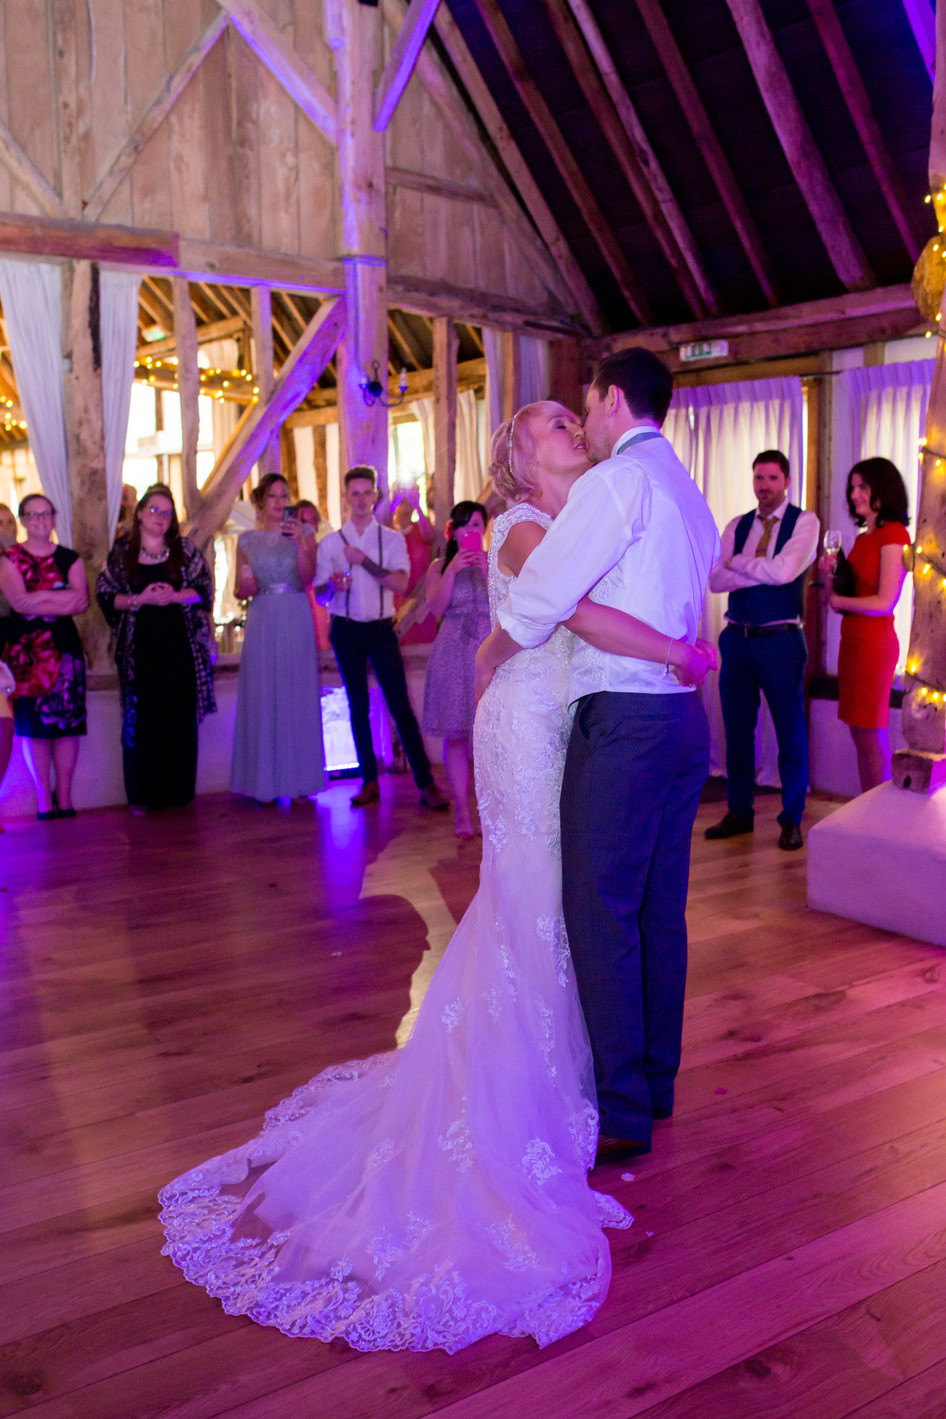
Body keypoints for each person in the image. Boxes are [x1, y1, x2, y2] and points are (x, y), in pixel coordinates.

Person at [159, 398, 714, 1351]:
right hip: (530, 737)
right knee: (539, 903)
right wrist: (663, 648)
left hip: (557, 728)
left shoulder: (573, 513)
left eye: (569, 419)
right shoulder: (531, 526)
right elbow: (568, 613)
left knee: (550, 908)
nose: (568, 427)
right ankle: (534, 1090)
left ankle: (572, 1077)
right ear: (517, 462)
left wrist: (511, 647)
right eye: (549, 426)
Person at [476, 350, 720, 1165]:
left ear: (615, 398)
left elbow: (545, 597)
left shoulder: (619, 482)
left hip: (624, 716)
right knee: (657, 907)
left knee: (601, 907)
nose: (581, 417)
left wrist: (490, 651)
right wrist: (681, 653)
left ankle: (620, 1108)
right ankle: (654, 1081)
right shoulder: (686, 486)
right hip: (683, 722)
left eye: (584, 402)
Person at [704, 449, 819, 852]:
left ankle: (791, 818)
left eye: (771, 478)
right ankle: (739, 811)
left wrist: (738, 563)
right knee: (737, 731)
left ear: (786, 481)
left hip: (782, 639)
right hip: (737, 638)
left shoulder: (805, 522)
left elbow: (786, 571)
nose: (763, 486)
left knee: (790, 731)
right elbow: (715, 580)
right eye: (758, 478)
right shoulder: (737, 525)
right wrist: (753, 567)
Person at [316, 465, 447, 810]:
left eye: (366, 493)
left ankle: (425, 782)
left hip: (380, 627)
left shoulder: (391, 539)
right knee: (356, 706)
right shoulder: (330, 543)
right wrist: (332, 583)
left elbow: (401, 585)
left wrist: (364, 562)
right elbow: (318, 595)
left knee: (399, 704)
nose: (361, 499)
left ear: (375, 497)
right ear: (346, 497)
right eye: (354, 493)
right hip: (344, 628)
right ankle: (368, 781)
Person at [96, 484, 216, 812]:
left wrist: (176, 596)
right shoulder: (121, 555)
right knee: (142, 723)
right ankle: (142, 796)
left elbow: (204, 591)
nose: (161, 518)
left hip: (181, 653)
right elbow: (106, 597)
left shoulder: (186, 551)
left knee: (179, 721)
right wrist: (141, 599)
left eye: (167, 512)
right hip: (139, 657)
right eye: (154, 510)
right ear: (138, 515)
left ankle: (178, 794)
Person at [231, 473, 325, 803]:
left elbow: (307, 577)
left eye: (284, 495)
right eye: (273, 496)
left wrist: (300, 542)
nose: (280, 501)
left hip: (296, 612)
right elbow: (239, 592)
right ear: (260, 502)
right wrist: (245, 581)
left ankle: (300, 781)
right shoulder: (246, 540)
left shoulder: (307, 533)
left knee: (296, 691)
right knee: (264, 691)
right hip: (262, 617)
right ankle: (264, 783)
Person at [822, 457, 910, 792]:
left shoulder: (894, 534)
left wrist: (838, 600)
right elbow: (840, 601)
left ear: (882, 489)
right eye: (853, 487)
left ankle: (879, 817)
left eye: (863, 486)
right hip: (853, 641)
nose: (855, 493)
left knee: (872, 733)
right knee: (859, 733)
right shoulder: (861, 538)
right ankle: (867, 810)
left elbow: (884, 601)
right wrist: (830, 575)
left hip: (874, 645)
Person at [0, 493, 88, 819]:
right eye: (33, 515)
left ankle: (64, 797)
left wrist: (38, 598)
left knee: (68, 725)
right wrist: (58, 596)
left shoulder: (70, 557)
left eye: (46, 514)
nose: (40, 520)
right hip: (27, 652)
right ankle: (43, 800)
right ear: (23, 520)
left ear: (54, 517)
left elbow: (81, 602)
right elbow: (19, 603)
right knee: (34, 728)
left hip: (64, 647)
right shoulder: (9, 559)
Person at [422, 500, 491, 837]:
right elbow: (435, 607)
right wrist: (452, 570)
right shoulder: (439, 566)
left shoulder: (497, 562)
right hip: (452, 652)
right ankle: (462, 811)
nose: (470, 531)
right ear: (453, 530)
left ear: (485, 528)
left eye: (476, 524)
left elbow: (514, 606)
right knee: (458, 734)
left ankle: (490, 810)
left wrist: (489, 571)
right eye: (464, 525)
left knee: (491, 733)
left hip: (488, 651)